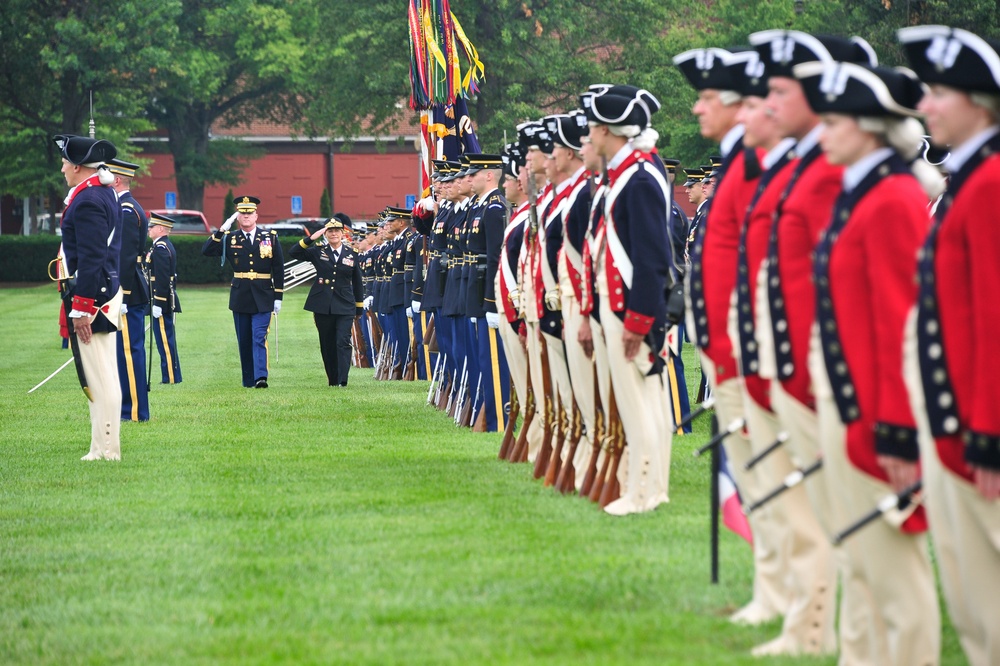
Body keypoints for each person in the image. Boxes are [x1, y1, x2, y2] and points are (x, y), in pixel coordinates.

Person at [900, 25, 1000, 666]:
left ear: (978, 101)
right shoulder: (970, 180)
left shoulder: (988, 186)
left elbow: (991, 316)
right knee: (968, 592)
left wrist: (988, 431)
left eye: (939, 93)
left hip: (977, 418)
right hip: (951, 409)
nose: (927, 107)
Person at [582, 84, 672, 515]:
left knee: (640, 406)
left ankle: (643, 492)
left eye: (593, 128)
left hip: (629, 309)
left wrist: (638, 321)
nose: (589, 135)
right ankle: (649, 487)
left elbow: (652, 258)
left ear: (608, 130)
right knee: (641, 402)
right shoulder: (629, 174)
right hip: (622, 306)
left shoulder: (638, 179)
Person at [54, 134, 124, 460]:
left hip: (94, 298)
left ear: (79, 166)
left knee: (101, 376)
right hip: (102, 293)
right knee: (100, 374)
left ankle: (108, 449)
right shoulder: (100, 194)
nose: (63, 167)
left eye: (66, 161)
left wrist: (82, 307)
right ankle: (100, 446)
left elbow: (93, 257)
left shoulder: (88, 201)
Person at [202, 195, 284, 388]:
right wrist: (223, 228)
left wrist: (278, 297)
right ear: (237, 217)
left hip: (264, 294)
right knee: (244, 340)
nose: (246, 216)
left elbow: (278, 268)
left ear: (256, 215)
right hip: (241, 295)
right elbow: (207, 250)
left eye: (250, 213)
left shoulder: (269, 237)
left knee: (258, 336)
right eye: (242, 213)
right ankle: (248, 379)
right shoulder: (230, 238)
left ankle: (260, 377)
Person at [289, 217, 365, 386]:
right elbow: (294, 252)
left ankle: (342, 380)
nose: (333, 234)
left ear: (342, 233)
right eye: (330, 231)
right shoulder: (318, 251)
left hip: (345, 304)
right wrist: (311, 238)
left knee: (342, 341)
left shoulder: (351, 254)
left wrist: (359, 308)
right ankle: (333, 379)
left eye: (336, 231)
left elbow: (357, 282)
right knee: (327, 343)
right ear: (325, 233)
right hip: (323, 304)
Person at [108, 158, 150, 421]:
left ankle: (134, 411)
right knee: (124, 352)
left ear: (117, 180)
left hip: (128, 291)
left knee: (129, 351)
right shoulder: (125, 207)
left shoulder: (125, 209)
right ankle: (128, 407)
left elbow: (124, 256)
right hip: (129, 288)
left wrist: (119, 292)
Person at [147, 211, 182, 384]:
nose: (149, 229)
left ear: (161, 229)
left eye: (151, 227)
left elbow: (162, 277)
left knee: (164, 340)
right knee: (164, 338)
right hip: (161, 297)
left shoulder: (161, 248)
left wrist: (158, 302)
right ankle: (170, 375)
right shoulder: (160, 245)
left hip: (162, 299)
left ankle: (170, 376)